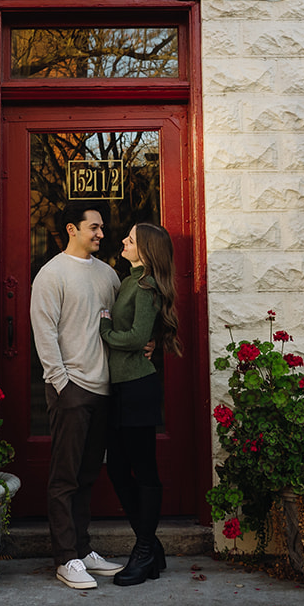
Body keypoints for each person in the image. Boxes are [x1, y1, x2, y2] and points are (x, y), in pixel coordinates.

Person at [30, 202, 125, 590]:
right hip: (71, 389)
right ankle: (65, 558)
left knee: (87, 475)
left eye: (102, 228)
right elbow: (44, 331)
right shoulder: (51, 274)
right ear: (72, 229)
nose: (101, 234)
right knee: (65, 477)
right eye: (94, 227)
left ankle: (83, 551)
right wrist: (61, 383)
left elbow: (121, 324)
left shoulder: (108, 275)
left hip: (104, 389)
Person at [98, 222, 183, 586]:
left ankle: (144, 550)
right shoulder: (129, 281)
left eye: (131, 240)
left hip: (138, 389)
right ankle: (151, 546)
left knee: (144, 470)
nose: (123, 241)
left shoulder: (146, 287)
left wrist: (105, 331)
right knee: (117, 468)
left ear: (146, 251)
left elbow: (136, 336)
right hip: (120, 388)